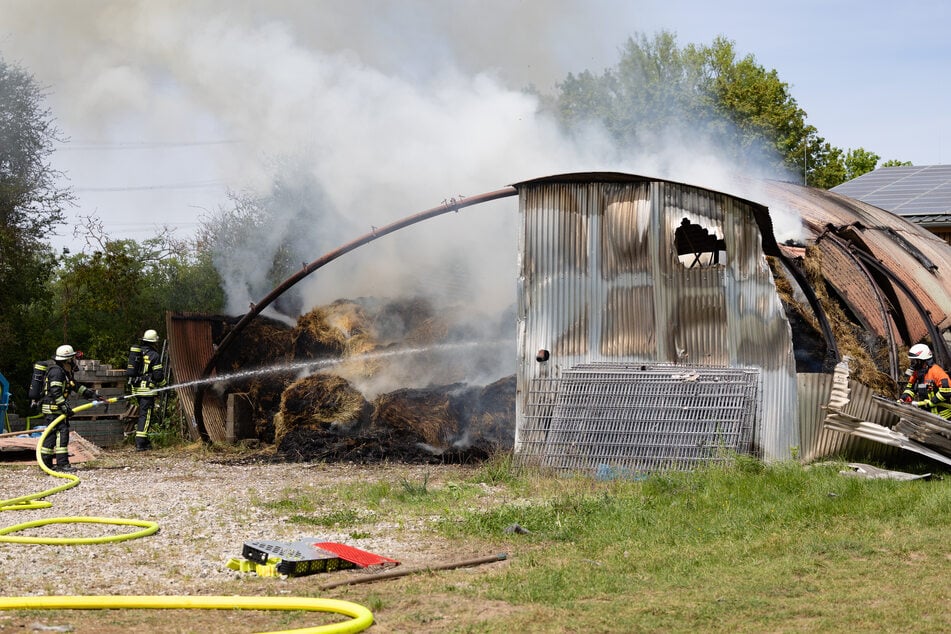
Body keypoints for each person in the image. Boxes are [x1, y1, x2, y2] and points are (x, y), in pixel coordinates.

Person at [40, 344, 101, 471]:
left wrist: (92, 395)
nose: (74, 361)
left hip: (54, 409)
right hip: (54, 409)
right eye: (72, 358)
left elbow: (76, 386)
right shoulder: (57, 372)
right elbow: (55, 391)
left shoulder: (64, 372)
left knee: (51, 435)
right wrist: (64, 406)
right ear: (67, 360)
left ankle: (46, 464)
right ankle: (62, 464)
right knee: (62, 435)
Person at [127, 329, 167, 451]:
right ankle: (140, 443)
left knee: (142, 414)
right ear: (154, 342)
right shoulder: (154, 355)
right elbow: (158, 376)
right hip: (147, 390)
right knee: (146, 415)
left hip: (136, 389)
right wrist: (165, 385)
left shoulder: (139, 353)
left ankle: (144, 441)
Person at [900, 343, 951, 419]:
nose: (913, 364)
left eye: (915, 361)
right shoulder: (916, 373)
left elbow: (946, 391)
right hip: (927, 415)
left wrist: (931, 402)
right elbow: (910, 388)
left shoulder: (937, 372)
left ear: (922, 360)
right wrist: (904, 398)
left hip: (943, 417)